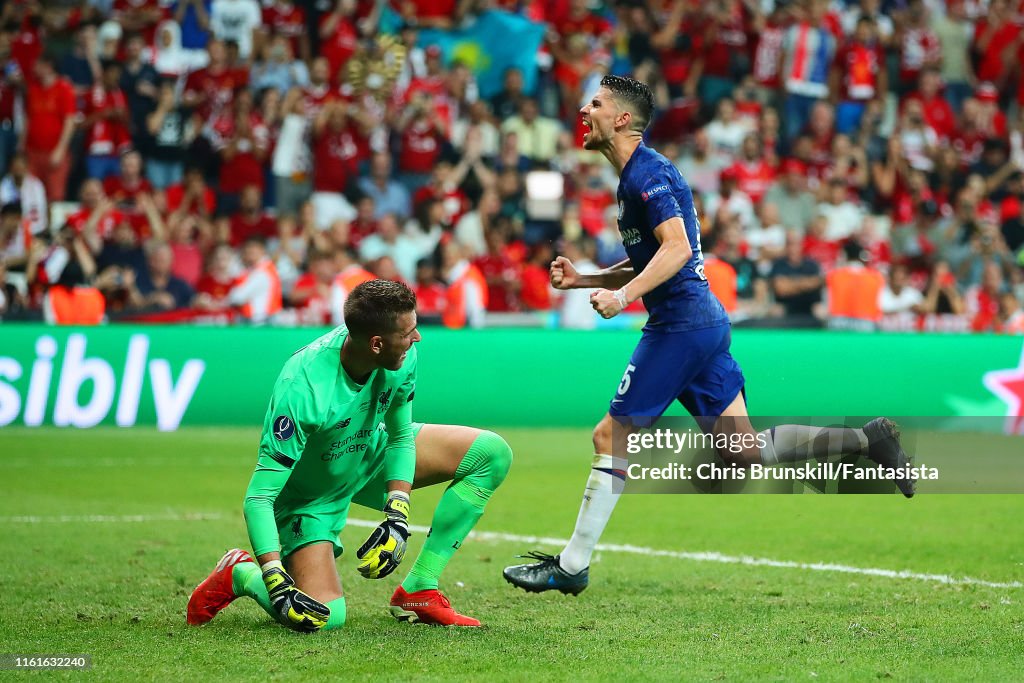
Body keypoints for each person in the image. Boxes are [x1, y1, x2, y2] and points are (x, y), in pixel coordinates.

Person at [503, 75, 913, 596]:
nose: (585, 109)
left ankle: (572, 565)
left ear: (622, 119)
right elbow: (658, 255)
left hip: (681, 325)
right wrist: (587, 279)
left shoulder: (644, 175)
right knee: (742, 452)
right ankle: (867, 440)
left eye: (597, 103)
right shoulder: (641, 174)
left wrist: (622, 298)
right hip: (702, 323)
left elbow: (673, 251)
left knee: (611, 435)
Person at [186, 280, 512, 629]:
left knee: (490, 453)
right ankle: (240, 573)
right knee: (327, 619)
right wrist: (273, 576)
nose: (417, 338)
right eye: (409, 332)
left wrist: (397, 514)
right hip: (309, 499)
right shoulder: (304, 388)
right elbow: (259, 497)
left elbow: (401, 437)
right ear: (376, 344)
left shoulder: (400, 354)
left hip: (369, 454)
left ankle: (419, 588)